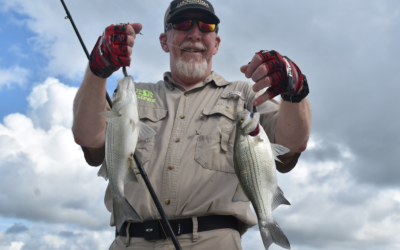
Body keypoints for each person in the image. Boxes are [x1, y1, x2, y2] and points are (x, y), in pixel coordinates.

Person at [72, 0, 311, 249]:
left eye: (206, 26)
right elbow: (87, 137)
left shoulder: (246, 95)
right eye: (182, 23)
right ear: (164, 40)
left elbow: (292, 144)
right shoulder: (135, 94)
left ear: (216, 43)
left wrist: (296, 91)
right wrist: (96, 68)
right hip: (130, 241)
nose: (195, 34)